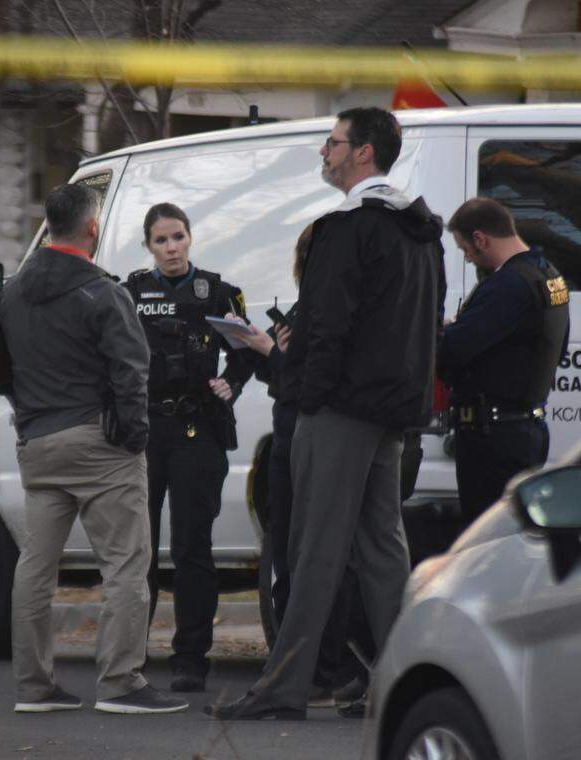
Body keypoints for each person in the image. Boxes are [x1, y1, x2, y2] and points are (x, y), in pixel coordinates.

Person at [207, 107, 445, 720]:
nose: (323, 151)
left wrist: (303, 393)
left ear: (364, 153)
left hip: (338, 412)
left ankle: (283, 689)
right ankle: (402, 682)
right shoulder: (422, 235)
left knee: (313, 550)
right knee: (384, 552)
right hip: (392, 414)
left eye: (334, 143)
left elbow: (325, 328)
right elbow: (424, 329)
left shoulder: (347, 230)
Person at [0, 183, 187, 715]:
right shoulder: (102, 292)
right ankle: (121, 681)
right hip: (98, 442)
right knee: (126, 564)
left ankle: (34, 687)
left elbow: (1, 369)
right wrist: (134, 436)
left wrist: (31, 419)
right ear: (92, 229)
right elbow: (133, 369)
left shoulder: (11, 293)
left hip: (37, 441)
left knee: (35, 567)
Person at [233, 226, 371, 711]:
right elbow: (282, 373)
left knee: (306, 559)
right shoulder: (306, 307)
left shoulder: (325, 307)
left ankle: (321, 670)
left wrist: (273, 353)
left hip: (305, 436)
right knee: (298, 559)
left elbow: (310, 374)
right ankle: (318, 669)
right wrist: (263, 350)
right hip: (291, 433)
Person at [123, 202, 254, 694]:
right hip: (146, 433)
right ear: (149, 246)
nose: (172, 247)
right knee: (138, 549)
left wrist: (230, 383)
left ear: (190, 238)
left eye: (178, 237)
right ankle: (129, 652)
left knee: (192, 548)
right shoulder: (131, 293)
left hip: (198, 430)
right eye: (161, 240)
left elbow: (246, 348)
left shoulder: (219, 292)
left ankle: (191, 658)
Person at [437, 197, 570, 523]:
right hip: (523, 428)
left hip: (494, 440)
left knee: (488, 540)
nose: (467, 258)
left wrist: (442, 332)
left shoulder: (508, 285)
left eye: (464, 248)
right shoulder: (548, 275)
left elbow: (451, 352)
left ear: (481, 238)